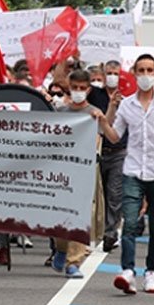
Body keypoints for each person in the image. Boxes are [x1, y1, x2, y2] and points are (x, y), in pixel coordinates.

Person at [95, 54, 154, 294]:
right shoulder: (127, 104)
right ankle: (128, 271)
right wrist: (107, 112)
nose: (146, 75)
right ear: (135, 73)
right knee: (129, 222)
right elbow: (114, 136)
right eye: (141, 70)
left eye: (150, 70)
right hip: (133, 170)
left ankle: (151, 273)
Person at [50, 69, 103, 279]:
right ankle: (61, 247)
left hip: (85, 169)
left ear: (88, 89)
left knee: (82, 215)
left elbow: (102, 137)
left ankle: (74, 262)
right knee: (59, 214)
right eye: (75, 88)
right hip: (62, 171)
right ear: (69, 89)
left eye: (83, 88)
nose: (79, 92)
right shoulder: (60, 113)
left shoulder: (94, 113)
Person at [88, 60, 125, 254]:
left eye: (115, 73)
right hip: (97, 151)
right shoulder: (94, 94)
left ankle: (111, 233)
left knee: (114, 194)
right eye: (109, 73)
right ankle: (95, 231)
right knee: (95, 195)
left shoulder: (128, 98)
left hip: (119, 152)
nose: (112, 76)